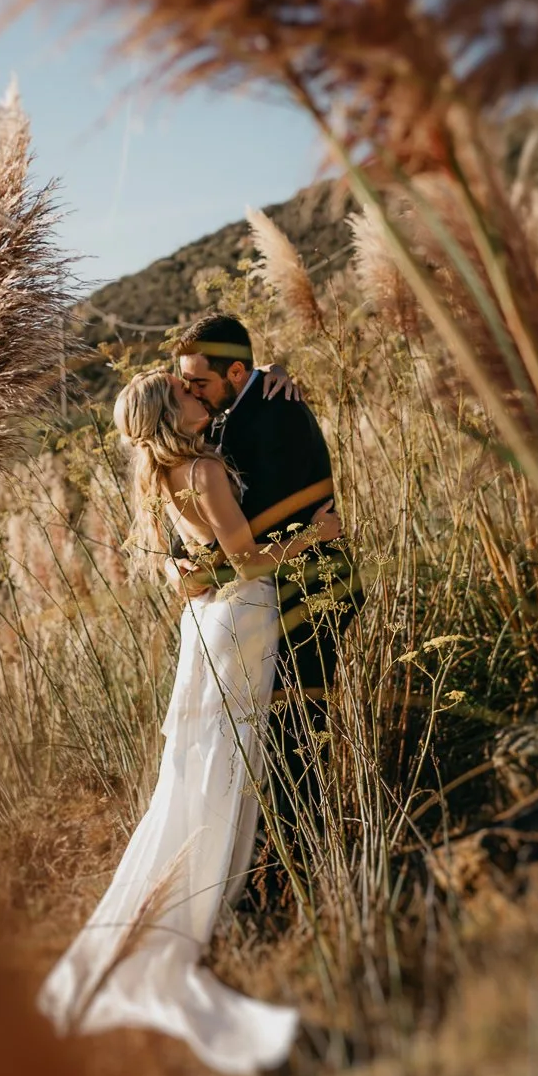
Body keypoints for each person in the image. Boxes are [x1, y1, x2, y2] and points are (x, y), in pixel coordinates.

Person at [38, 368, 341, 1076]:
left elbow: (196, 564)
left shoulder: (162, 474)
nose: (199, 398)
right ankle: (206, 895)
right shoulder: (203, 469)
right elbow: (242, 559)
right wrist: (314, 533)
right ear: (168, 415)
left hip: (207, 619)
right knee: (229, 758)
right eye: (186, 395)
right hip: (242, 612)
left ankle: (191, 888)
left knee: (208, 757)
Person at [175, 313, 359, 891]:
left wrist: (210, 557)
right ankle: (280, 863)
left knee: (295, 736)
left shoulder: (274, 412)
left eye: (197, 383)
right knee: (275, 738)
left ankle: (299, 870)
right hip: (265, 597)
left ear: (236, 371)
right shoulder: (232, 412)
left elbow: (258, 527)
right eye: (183, 384)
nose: (188, 392)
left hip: (310, 591)